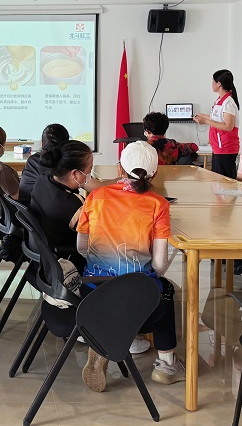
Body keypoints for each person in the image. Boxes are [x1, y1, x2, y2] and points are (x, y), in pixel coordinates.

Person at [75, 141, 186, 390]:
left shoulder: (96, 197)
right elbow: (159, 263)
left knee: (126, 288)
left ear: (120, 169)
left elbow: (82, 247)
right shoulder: (158, 204)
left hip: (92, 293)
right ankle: (166, 365)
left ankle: (108, 339)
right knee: (164, 289)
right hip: (136, 302)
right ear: (154, 173)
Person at [29, 140, 92, 266]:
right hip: (67, 261)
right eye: (89, 170)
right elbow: (95, 236)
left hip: (42, 253)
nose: (89, 174)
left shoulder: (44, 179)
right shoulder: (73, 206)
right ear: (74, 173)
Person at [194, 69, 240, 178]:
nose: (212, 84)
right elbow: (217, 118)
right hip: (218, 147)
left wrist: (205, 121)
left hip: (225, 148)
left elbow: (228, 126)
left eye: (213, 81)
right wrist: (203, 116)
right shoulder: (220, 100)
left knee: (225, 182)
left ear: (219, 83)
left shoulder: (228, 103)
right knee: (218, 180)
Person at [19, 123, 70, 202]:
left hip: (26, 206)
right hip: (41, 207)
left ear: (42, 143)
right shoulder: (65, 163)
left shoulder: (32, 160)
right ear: (66, 144)